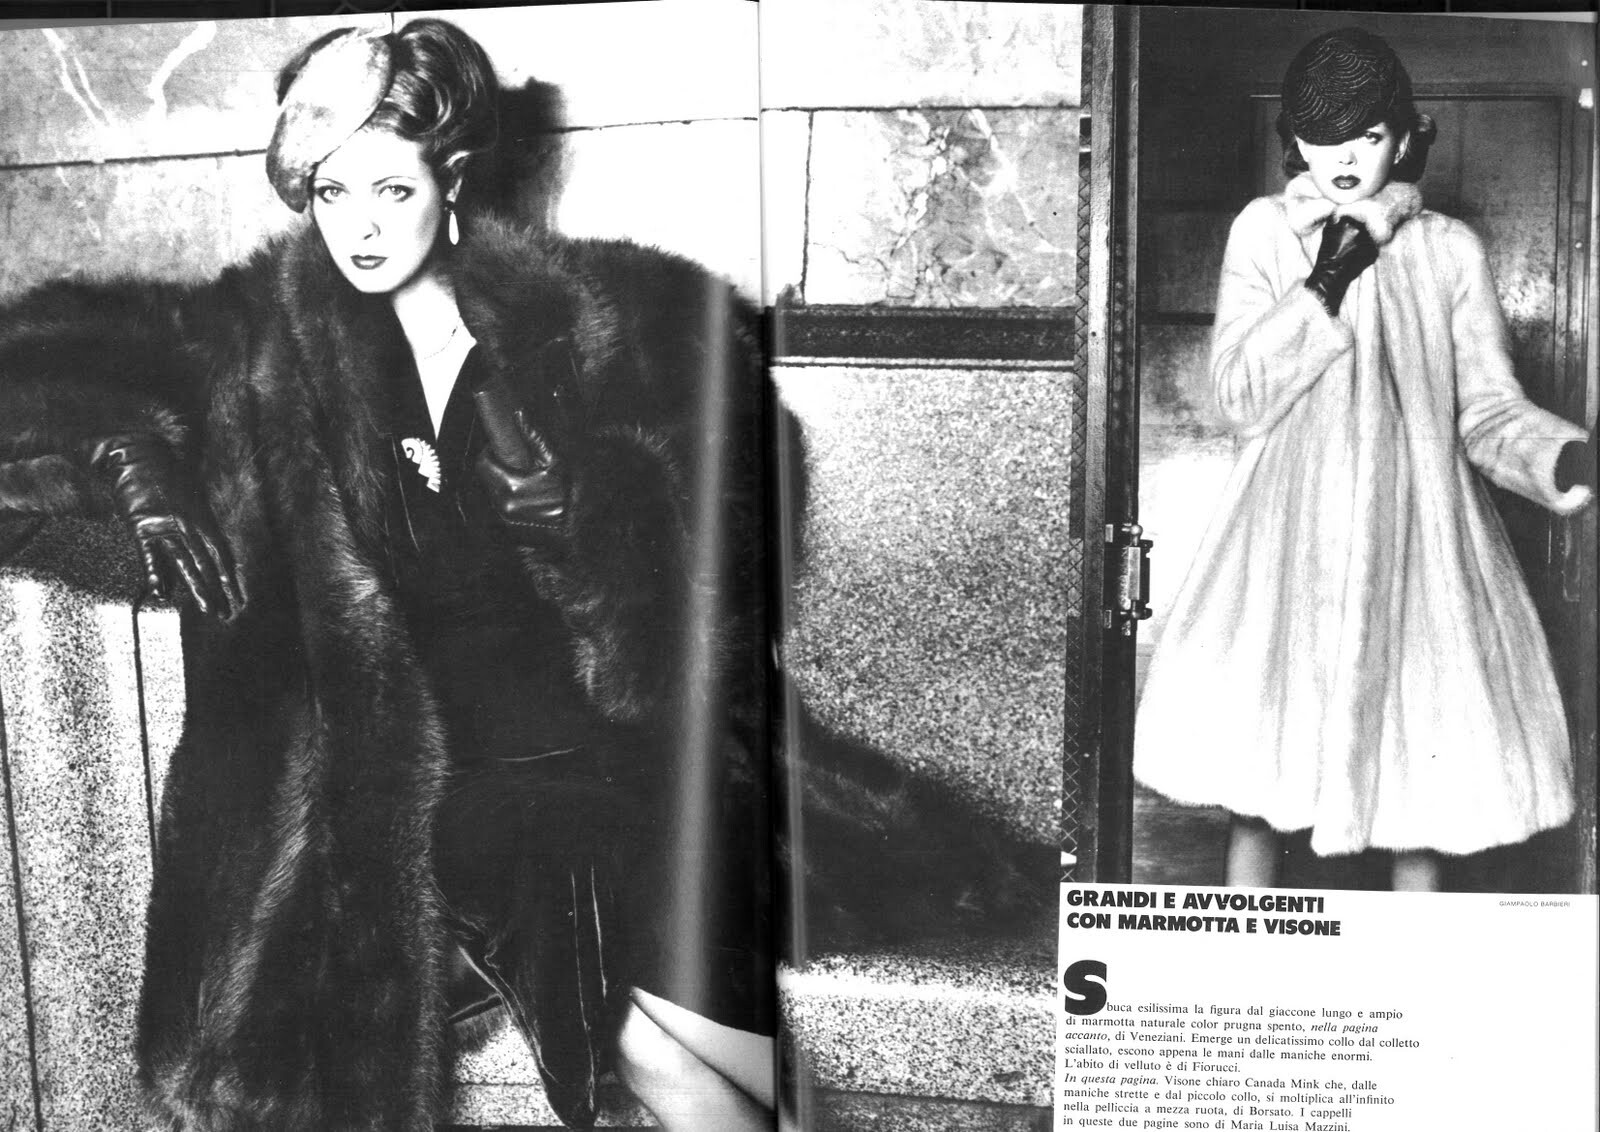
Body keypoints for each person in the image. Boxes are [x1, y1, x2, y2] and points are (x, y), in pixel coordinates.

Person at [0, 20, 773, 1130]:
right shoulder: (253, 343)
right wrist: (120, 451)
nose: (357, 226)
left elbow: (715, 579)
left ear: (452, 181)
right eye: (331, 191)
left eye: (392, 190)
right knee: (641, 1019)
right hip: (432, 787)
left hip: (608, 749)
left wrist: (597, 524)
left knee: (676, 1011)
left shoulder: (596, 325)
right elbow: (33, 368)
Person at [1133, 27, 1596, 892]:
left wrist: (1562, 459)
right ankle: (1242, 965)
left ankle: (1411, 972)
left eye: (1368, 135)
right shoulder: (1265, 232)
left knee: (1422, 805)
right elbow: (1238, 395)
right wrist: (1324, 285)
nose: (1343, 158)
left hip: (1419, 549)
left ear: (1407, 137)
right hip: (1285, 552)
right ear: (1294, 142)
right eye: (1321, 137)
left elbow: (1485, 410)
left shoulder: (1450, 249)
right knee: (1256, 794)